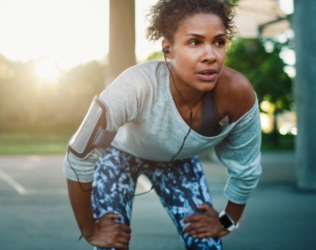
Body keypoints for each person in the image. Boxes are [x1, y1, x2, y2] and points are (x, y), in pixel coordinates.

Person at [64, 0, 262, 249]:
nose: (210, 55)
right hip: (119, 156)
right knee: (111, 245)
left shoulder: (237, 93)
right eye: (194, 42)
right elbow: (79, 156)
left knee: (207, 243)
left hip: (177, 163)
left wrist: (227, 220)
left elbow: (246, 166)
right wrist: (90, 230)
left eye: (219, 42)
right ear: (168, 49)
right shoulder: (134, 87)